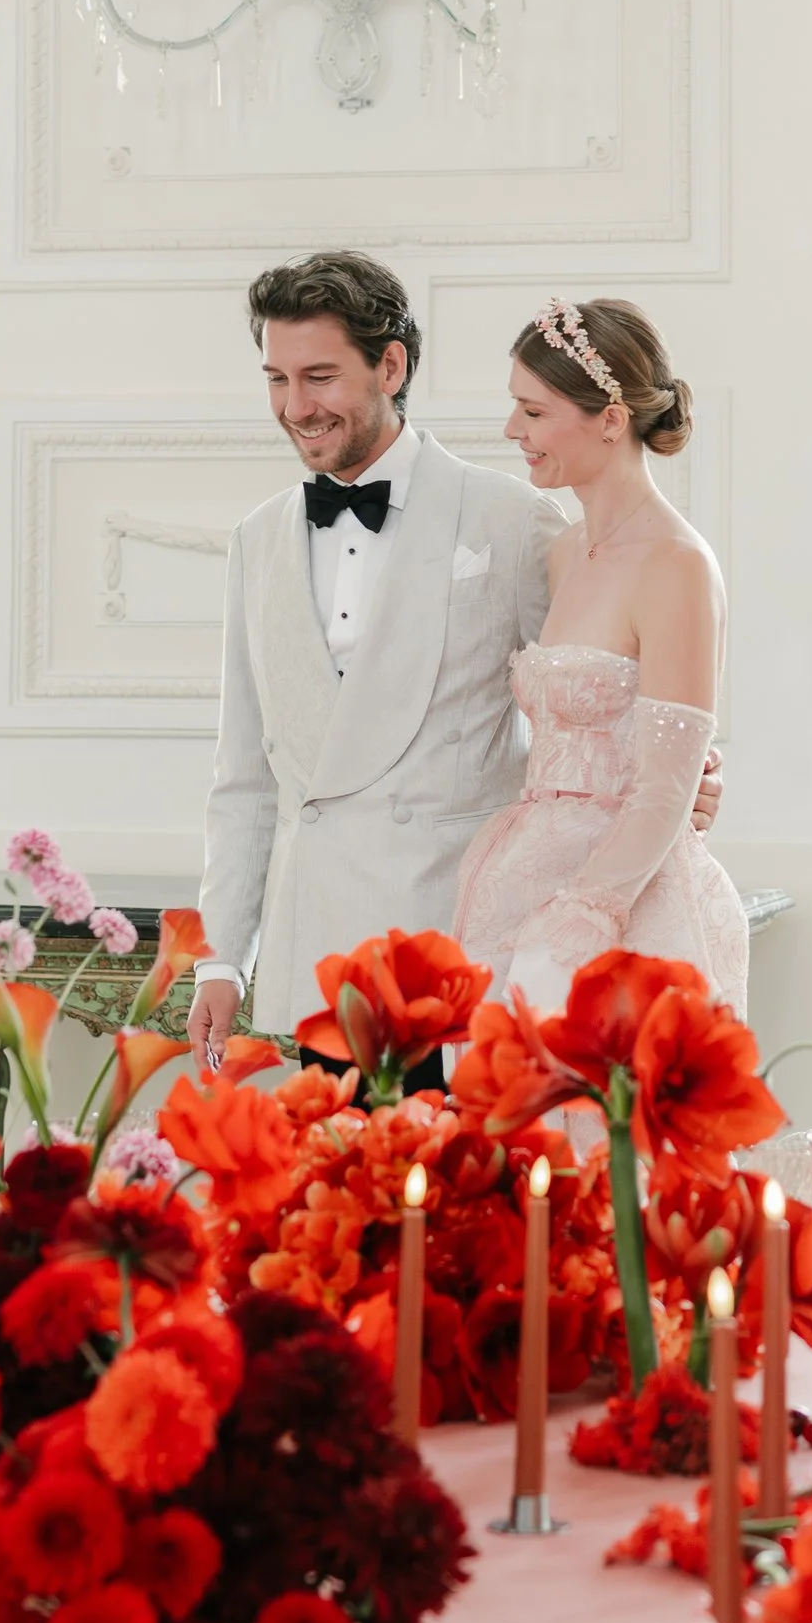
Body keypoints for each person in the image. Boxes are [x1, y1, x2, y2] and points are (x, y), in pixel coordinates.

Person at [188, 253, 567, 1071]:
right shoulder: (257, 539)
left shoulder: (511, 520)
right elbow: (244, 776)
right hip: (323, 957)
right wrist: (222, 958)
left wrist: (678, 769)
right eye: (277, 379)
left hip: (461, 955)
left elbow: (585, 709)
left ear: (390, 367)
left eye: (320, 377)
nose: (296, 407)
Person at [453, 297, 746, 1012]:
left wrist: (578, 923)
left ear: (611, 420)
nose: (512, 429)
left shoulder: (677, 564)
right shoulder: (563, 552)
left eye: (533, 411)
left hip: (624, 905)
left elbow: (665, 791)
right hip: (524, 874)